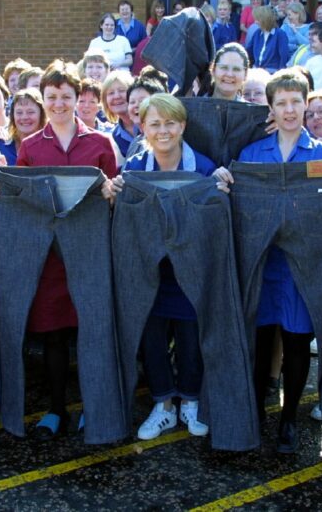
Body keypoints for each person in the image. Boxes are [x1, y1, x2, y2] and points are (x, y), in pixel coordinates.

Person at [213, 70, 322, 453]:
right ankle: (255, 412)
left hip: (302, 268)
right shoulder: (254, 152)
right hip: (264, 266)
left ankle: (289, 417)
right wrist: (226, 182)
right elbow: (238, 200)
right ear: (271, 108)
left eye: (296, 102)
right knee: (258, 340)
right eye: (282, 103)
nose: (290, 110)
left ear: (306, 104)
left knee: (295, 342)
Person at [0, 60, 118, 440]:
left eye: (66, 96)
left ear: (79, 99)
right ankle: (56, 409)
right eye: (52, 97)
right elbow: (21, 199)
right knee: (54, 335)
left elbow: (115, 200)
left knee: (93, 332)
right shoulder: (29, 146)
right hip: (47, 259)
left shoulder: (101, 143)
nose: (59, 103)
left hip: (89, 254)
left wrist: (111, 195)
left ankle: (95, 408)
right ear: (43, 100)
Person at [104, 93, 216, 440]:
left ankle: (191, 399)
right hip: (148, 272)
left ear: (182, 125)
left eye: (170, 123)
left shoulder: (205, 167)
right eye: (155, 123)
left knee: (189, 339)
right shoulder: (134, 169)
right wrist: (113, 194)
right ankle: (164, 404)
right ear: (143, 128)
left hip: (189, 271)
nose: (163, 130)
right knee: (151, 338)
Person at [101, 70, 137, 161]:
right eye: (111, 93)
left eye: (122, 91)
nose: (116, 96)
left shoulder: (150, 125)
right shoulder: (114, 137)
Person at [7, 88, 47, 166]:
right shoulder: (2, 146)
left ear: (41, 115)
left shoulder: (51, 147)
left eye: (30, 112)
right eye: (19, 112)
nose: (24, 117)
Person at [248, 6, 290, 73]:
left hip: (272, 72)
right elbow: (248, 51)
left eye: (257, 19)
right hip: (256, 70)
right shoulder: (257, 33)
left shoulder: (280, 34)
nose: (255, 22)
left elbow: (284, 56)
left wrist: (281, 74)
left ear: (265, 19)